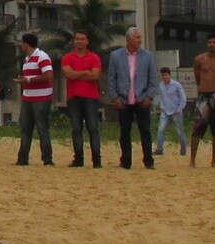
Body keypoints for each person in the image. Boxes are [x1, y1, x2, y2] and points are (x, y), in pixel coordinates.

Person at [104, 27, 158, 170]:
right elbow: (111, 78)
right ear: (128, 39)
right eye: (137, 37)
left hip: (142, 99)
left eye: (140, 37)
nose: (140, 40)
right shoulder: (116, 56)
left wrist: (150, 96)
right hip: (124, 100)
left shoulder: (148, 56)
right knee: (124, 132)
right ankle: (125, 161)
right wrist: (115, 97)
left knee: (145, 131)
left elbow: (153, 79)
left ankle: (149, 161)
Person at [61, 29, 104, 168]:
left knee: (93, 128)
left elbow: (95, 75)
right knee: (76, 128)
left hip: (91, 97)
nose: (79, 41)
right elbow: (68, 74)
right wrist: (86, 72)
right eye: (77, 39)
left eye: (82, 39)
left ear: (87, 41)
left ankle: (96, 160)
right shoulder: (67, 57)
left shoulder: (94, 57)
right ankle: (78, 159)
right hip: (73, 97)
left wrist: (77, 74)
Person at [188, 35, 215, 166]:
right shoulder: (199, 59)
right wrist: (203, 88)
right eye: (210, 42)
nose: (212, 44)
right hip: (203, 95)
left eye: (214, 42)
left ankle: (213, 161)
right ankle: (192, 160)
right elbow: (197, 77)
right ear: (207, 44)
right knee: (197, 127)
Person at [14, 33, 55, 167]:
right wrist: (24, 81)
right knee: (25, 128)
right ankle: (23, 158)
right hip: (28, 97)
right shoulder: (27, 59)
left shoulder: (42, 56)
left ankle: (47, 159)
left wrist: (29, 80)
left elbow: (48, 76)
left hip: (41, 97)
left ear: (26, 44)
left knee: (42, 128)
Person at [153, 68, 188, 156]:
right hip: (165, 112)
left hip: (176, 111)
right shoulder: (161, 85)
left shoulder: (176, 85)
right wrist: (162, 107)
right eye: (162, 75)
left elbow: (183, 98)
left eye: (166, 75)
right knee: (161, 129)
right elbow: (161, 97)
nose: (164, 77)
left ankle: (183, 150)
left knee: (180, 131)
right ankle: (159, 149)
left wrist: (179, 109)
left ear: (169, 75)